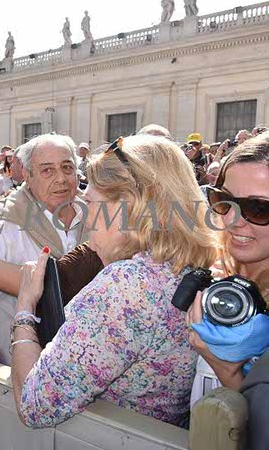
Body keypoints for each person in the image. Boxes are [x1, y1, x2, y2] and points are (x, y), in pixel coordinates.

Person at [12, 134, 218, 428]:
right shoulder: (191, 268)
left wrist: (25, 309)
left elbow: (33, 406)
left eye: (91, 203)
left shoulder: (126, 286)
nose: (87, 218)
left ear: (129, 207)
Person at [0, 134, 87, 365]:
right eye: (47, 170)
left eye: (67, 167)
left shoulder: (100, 214)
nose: (61, 179)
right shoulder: (0, 220)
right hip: (17, 366)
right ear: (27, 175)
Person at [186, 134, 269, 403]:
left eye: (259, 208)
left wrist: (226, 369)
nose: (232, 220)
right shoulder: (209, 267)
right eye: (224, 200)